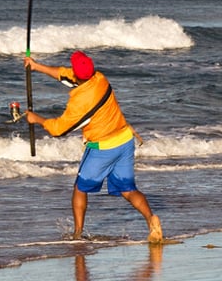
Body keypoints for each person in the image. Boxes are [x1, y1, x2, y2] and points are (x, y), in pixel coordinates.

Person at [24, 50, 163, 243]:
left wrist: (36, 119)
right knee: (128, 190)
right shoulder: (99, 78)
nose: (71, 69)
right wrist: (36, 66)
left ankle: (78, 234)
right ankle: (151, 220)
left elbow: (59, 129)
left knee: (80, 188)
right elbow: (67, 75)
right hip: (124, 140)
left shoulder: (81, 102)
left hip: (103, 148)